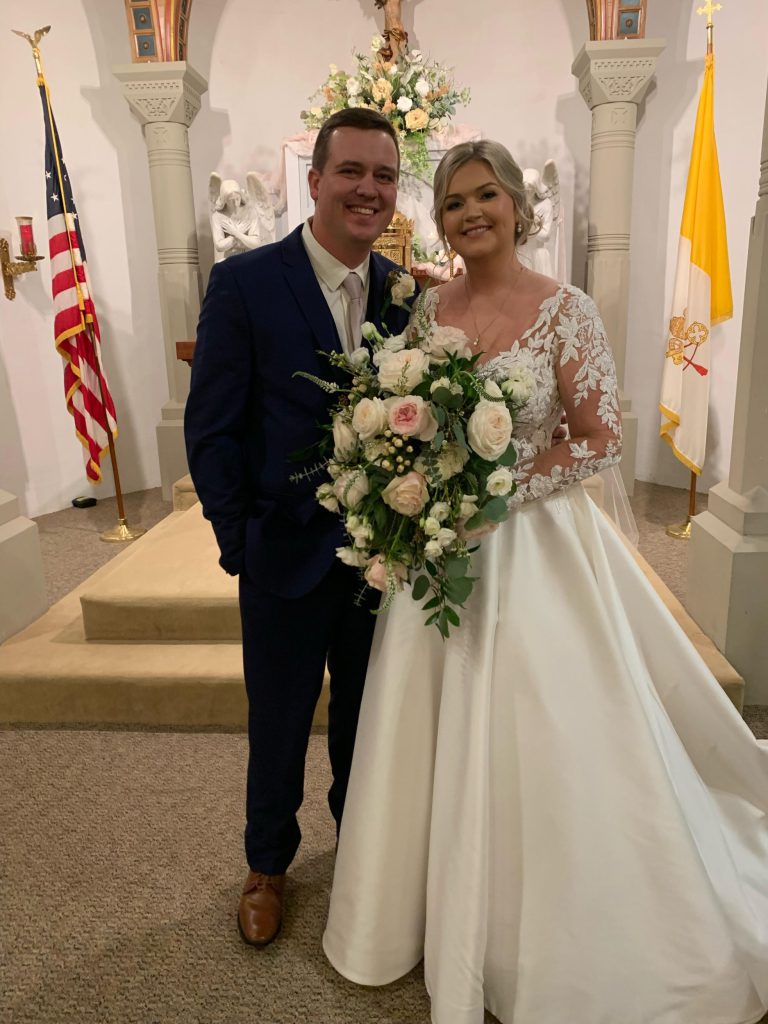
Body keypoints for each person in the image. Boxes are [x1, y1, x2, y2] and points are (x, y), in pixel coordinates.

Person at [323, 140, 768, 1024]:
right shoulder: (421, 312)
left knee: (549, 724)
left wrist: (496, 493)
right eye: (454, 203)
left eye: (487, 195)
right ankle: (418, 907)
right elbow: (403, 426)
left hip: (535, 547)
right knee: (424, 722)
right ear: (442, 222)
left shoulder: (566, 311)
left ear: (520, 208)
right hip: (439, 550)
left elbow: (597, 438)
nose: (471, 213)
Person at [184, 108, 413, 947]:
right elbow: (211, 428)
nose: (368, 190)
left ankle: (364, 856)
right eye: (351, 171)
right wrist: (237, 538)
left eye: (383, 176)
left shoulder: (403, 293)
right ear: (313, 181)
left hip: (378, 562)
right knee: (278, 721)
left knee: (366, 719)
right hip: (280, 553)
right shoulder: (246, 284)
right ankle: (267, 864)